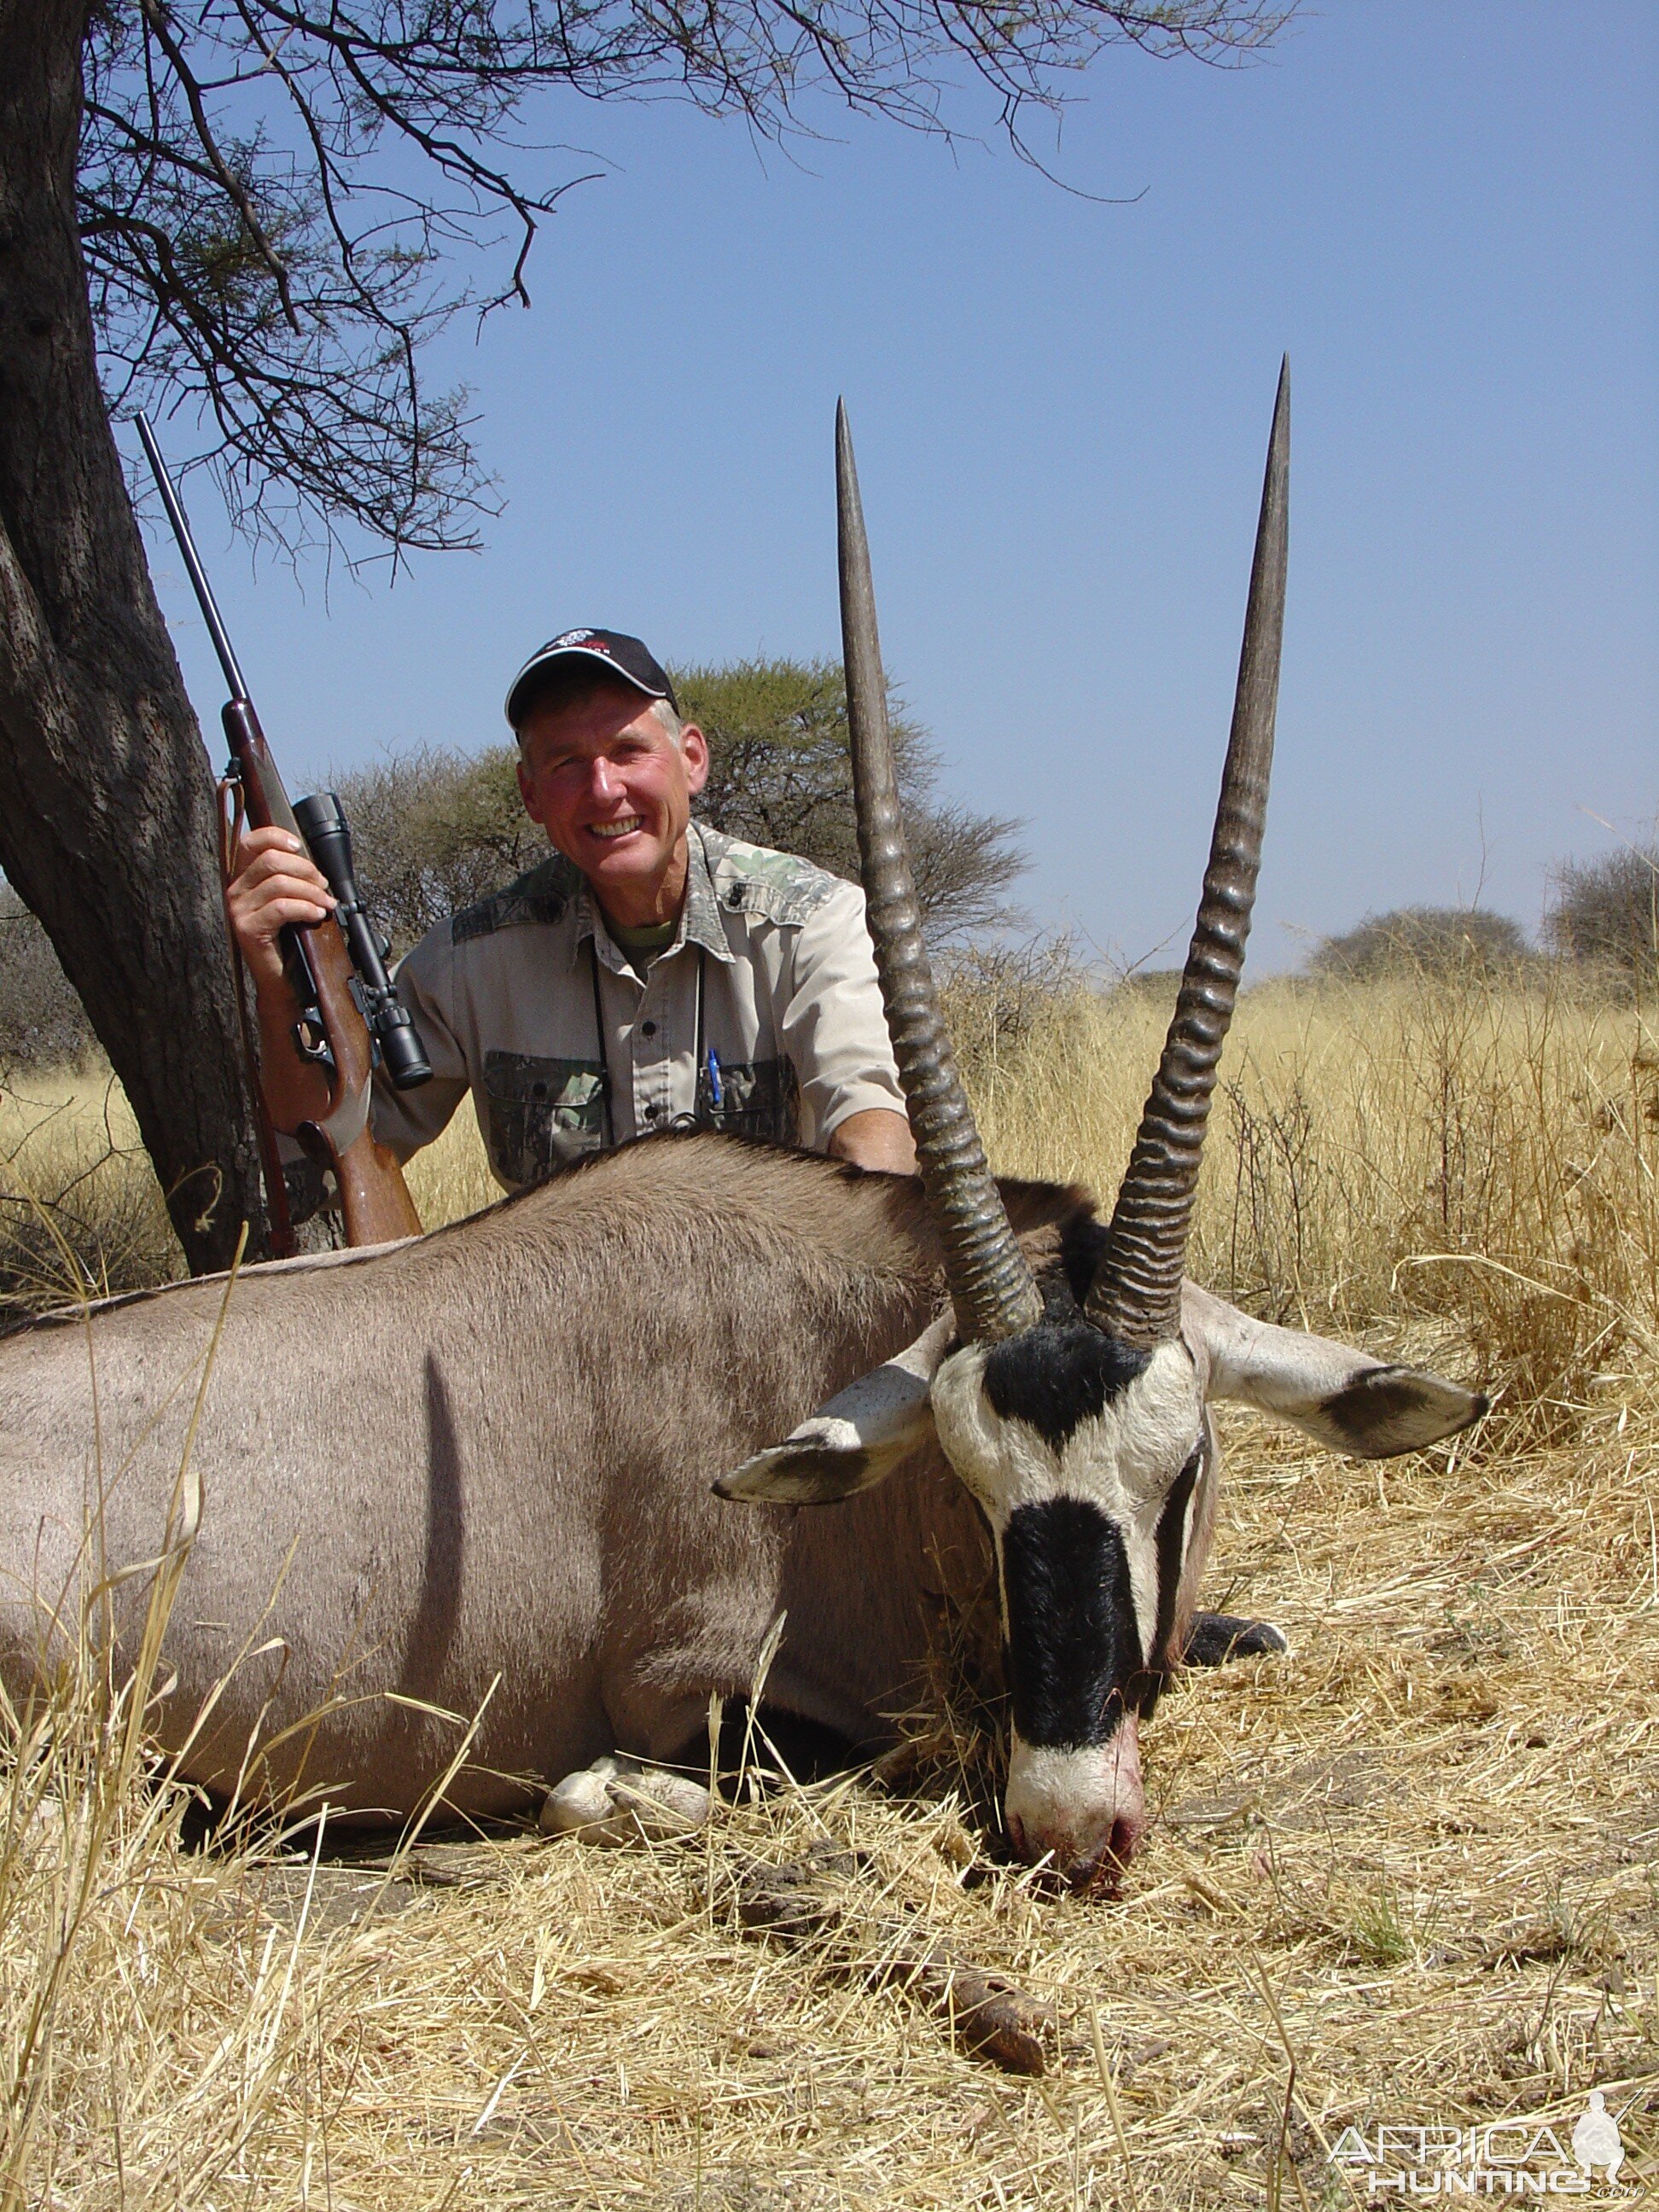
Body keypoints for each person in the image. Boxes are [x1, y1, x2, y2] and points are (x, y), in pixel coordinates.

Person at [225, 627, 917, 1191]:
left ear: (692, 759)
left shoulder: (813, 921)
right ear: (529, 795)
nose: (603, 789)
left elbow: (871, 1131)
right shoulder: (468, 962)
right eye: (566, 764)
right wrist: (278, 986)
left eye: (628, 751)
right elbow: (321, 1151)